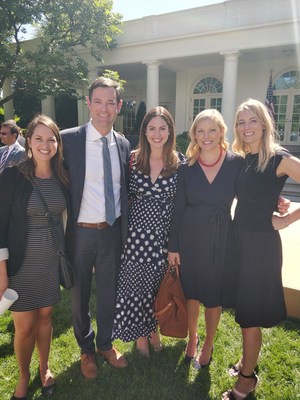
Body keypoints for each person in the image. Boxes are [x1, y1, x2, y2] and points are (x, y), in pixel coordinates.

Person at [222, 98, 300, 400]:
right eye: (241, 122)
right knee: (245, 310)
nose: (246, 127)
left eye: (252, 120)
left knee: (250, 314)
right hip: (239, 241)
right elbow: (256, 194)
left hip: (261, 246)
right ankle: (246, 361)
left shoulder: (279, 158)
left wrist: (288, 219)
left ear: (265, 122)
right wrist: (276, 200)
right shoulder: (244, 159)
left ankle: (246, 379)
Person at [60, 76, 130, 378]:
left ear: (119, 106)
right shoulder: (68, 139)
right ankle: (86, 349)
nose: (104, 108)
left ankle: (105, 343)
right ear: (88, 103)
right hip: (80, 233)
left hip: (112, 232)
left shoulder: (124, 144)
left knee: (108, 293)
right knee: (79, 297)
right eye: (98, 101)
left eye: (110, 102)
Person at [0, 114, 70, 399]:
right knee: (24, 326)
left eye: (51, 139)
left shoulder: (63, 176)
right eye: (38, 138)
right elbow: (0, 225)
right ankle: (24, 375)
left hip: (50, 260)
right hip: (21, 262)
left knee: (46, 317)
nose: (45, 144)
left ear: (57, 143)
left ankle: (44, 368)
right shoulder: (13, 175)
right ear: (28, 141)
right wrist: (2, 271)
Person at [168, 109, 244, 367]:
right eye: (200, 131)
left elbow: (249, 197)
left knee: (214, 296)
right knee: (191, 294)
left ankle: (209, 344)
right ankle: (192, 338)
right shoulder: (185, 168)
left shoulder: (236, 163)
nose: (206, 136)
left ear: (222, 131)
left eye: (212, 130)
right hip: (190, 238)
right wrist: (173, 246)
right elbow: (177, 210)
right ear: (194, 135)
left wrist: (273, 204)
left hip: (221, 238)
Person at [113, 106, 184, 357]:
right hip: (135, 235)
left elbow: (184, 204)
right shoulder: (133, 159)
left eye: (162, 128)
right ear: (144, 131)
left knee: (157, 286)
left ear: (170, 131)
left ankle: (154, 329)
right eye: (152, 128)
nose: (157, 133)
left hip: (163, 236)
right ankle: (141, 335)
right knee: (136, 286)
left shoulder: (179, 162)